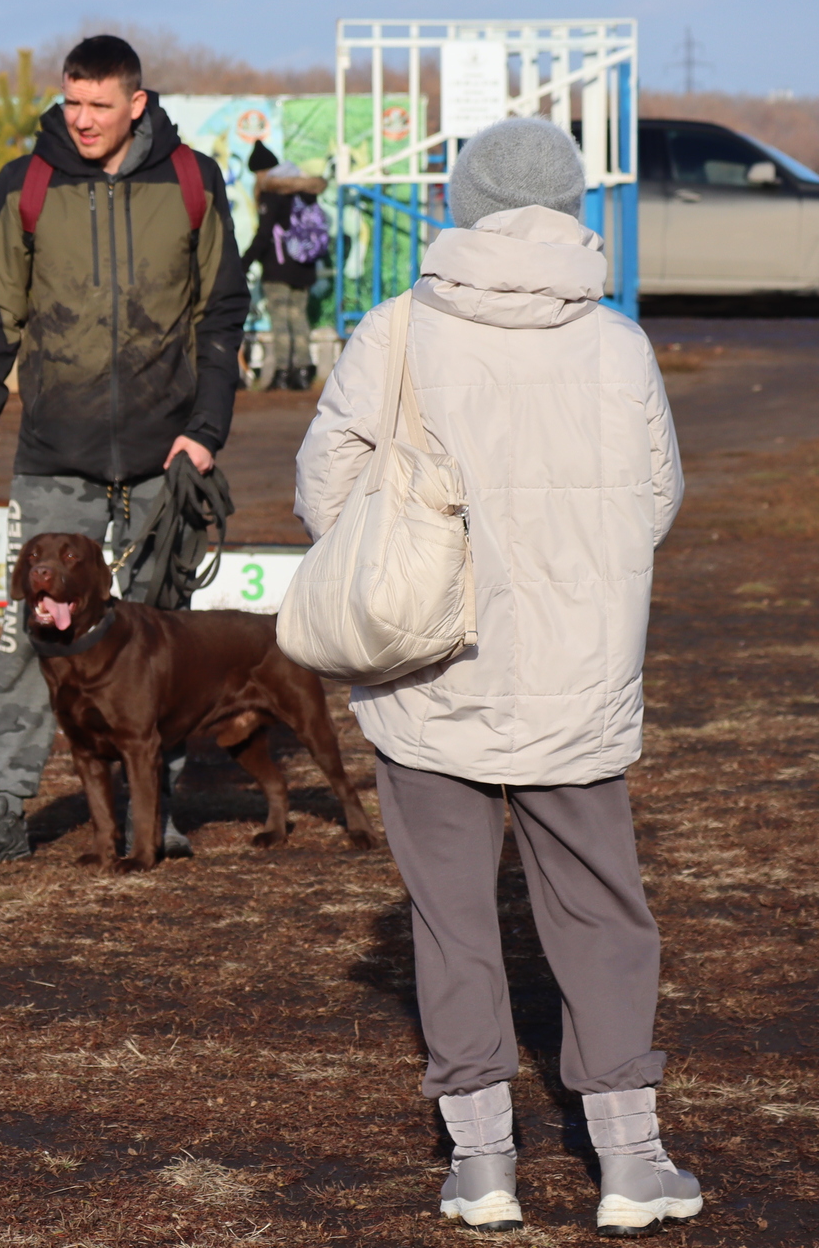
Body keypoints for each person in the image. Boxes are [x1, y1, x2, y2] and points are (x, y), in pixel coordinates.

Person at [294, 117, 698, 1236]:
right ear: (570, 210)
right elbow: (655, 501)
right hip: (577, 674)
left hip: (429, 673)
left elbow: (326, 491)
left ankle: (480, 1168)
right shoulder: (617, 345)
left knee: (450, 917)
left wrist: (407, 575)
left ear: (460, 204)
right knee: (602, 913)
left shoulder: (393, 329)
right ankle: (630, 1162)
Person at [0, 34, 250, 870]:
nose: (81, 120)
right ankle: (1, 813)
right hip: (56, 454)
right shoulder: (28, 183)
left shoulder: (192, 181)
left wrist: (206, 429)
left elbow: (222, 313)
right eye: (71, 102)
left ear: (136, 104)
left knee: (165, 646)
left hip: (167, 458)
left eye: (99, 106)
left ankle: (164, 806)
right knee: (30, 642)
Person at [240, 144, 329, 389]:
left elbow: (264, 234)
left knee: (280, 319)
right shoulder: (304, 192)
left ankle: (282, 373)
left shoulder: (272, 193)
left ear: (262, 172)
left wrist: (244, 262)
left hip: (277, 269)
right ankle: (302, 371)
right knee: (299, 317)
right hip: (304, 266)